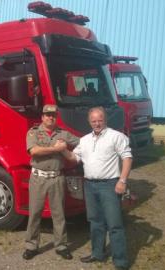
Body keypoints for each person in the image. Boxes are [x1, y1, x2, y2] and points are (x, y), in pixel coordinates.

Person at [62, 106, 132, 270]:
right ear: (89, 121)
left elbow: (127, 158)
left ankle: (120, 262)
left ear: (105, 119)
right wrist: (63, 150)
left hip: (109, 185)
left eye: (100, 120)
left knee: (114, 224)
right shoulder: (85, 139)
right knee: (95, 222)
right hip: (90, 185)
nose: (97, 123)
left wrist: (122, 181)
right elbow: (74, 158)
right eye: (93, 121)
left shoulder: (116, 136)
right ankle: (97, 253)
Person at [23, 104, 79, 260]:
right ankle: (31, 246)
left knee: (59, 214)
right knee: (34, 213)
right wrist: (57, 149)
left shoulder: (64, 134)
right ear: (42, 117)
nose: (50, 117)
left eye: (53, 115)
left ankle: (61, 246)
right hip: (38, 178)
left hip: (57, 178)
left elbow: (82, 143)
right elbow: (34, 151)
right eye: (47, 115)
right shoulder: (33, 132)